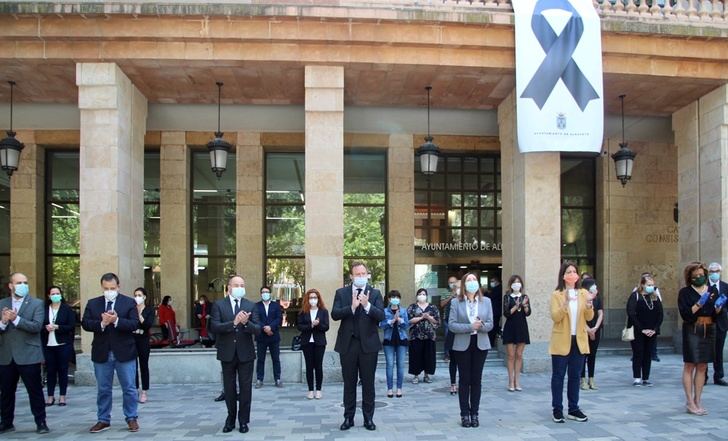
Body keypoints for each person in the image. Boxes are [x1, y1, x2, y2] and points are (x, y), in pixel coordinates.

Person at [81, 272, 140, 433]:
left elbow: (134, 324)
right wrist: (101, 323)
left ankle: (131, 417)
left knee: (129, 387)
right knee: (103, 389)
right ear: (102, 287)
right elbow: (85, 323)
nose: (109, 291)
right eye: (106, 288)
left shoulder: (128, 302)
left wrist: (116, 321)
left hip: (124, 352)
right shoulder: (93, 303)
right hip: (102, 352)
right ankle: (103, 419)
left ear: (118, 287)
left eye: (112, 288)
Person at [332, 261, 384, 431]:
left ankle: (368, 418)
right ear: (351, 276)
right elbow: (335, 314)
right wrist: (352, 307)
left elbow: (381, 316)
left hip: (368, 346)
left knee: (368, 383)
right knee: (349, 383)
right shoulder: (341, 293)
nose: (361, 277)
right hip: (348, 345)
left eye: (364, 274)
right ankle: (349, 418)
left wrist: (367, 305)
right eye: (358, 274)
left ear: (367, 275)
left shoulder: (375, 293)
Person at [210, 275, 260, 434]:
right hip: (227, 353)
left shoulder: (251, 305)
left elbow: (258, 329)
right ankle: (230, 418)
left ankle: (243, 420)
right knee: (229, 389)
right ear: (229, 287)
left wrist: (246, 323)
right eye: (236, 285)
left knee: (246, 389)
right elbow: (215, 327)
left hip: (246, 353)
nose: (240, 287)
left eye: (242, 285)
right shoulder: (219, 305)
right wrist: (234, 323)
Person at [0, 272, 49, 434]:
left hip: (28, 354)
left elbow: (36, 327)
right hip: (7, 355)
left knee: (34, 390)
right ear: (11, 286)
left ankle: (41, 422)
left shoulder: (36, 304)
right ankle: (6, 422)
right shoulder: (2, 304)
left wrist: (15, 319)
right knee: (6, 391)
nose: (23, 285)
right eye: (19, 282)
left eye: (25, 282)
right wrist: (3, 322)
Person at [549, 262, 595, 424]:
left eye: (574, 272)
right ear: (563, 275)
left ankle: (574, 408)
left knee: (575, 376)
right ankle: (557, 409)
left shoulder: (583, 293)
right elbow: (555, 317)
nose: (572, 274)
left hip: (579, 340)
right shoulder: (557, 294)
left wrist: (590, 305)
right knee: (558, 376)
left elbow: (589, 317)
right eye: (568, 272)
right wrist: (566, 302)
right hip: (562, 340)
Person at [678, 261, 725, 415]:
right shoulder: (685, 292)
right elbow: (685, 314)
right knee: (690, 365)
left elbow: (715, 313)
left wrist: (718, 307)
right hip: (693, 329)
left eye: (701, 275)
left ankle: (698, 400)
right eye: (695, 275)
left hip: (709, 328)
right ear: (690, 277)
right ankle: (689, 401)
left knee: (703, 366)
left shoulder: (712, 290)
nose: (699, 277)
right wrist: (699, 303)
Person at [448, 272, 493, 428]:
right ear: (464, 284)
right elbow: (452, 325)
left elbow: (490, 324)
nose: (472, 282)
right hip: (462, 345)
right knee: (464, 380)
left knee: (476, 380)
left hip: (480, 343)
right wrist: (470, 327)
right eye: (469, 280)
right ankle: (464, 414)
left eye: (474, 279)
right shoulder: (455, 302)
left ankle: (475, 413)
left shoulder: (486, 301)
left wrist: (481, 326)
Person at [627, 274, 663, 387]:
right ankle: (637, 377)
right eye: (649, 285)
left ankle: (646, 378)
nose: (651, 287)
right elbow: (631, 313)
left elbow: (660, 314)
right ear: (642, 285)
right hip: (638, 331)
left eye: (652, 285)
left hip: (651, 331)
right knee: (638, 353)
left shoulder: (654, 297)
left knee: (648, 354)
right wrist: (642, 329)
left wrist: (655, 329)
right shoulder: (635, 296)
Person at [42, 285, 75, 407]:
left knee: (63, 369)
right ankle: (50, 396)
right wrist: (46, 328)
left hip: (63, 344)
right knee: (50, 370)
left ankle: (62, 396)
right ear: (49, 296)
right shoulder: (44, 309)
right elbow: (39, 325)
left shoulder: (67, 309)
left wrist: (58, 327)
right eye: (53, 293)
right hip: (48, 344)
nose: (55, 295)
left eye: (57, 293)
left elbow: (71, 326)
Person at [297, 288, 329, 399]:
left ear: (318, 299)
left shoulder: (323, 311)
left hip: (319, 342)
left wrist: (318, 324)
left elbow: (326, 327)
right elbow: (299, 326)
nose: (313, 300)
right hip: (307, 342)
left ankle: (319, 389)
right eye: (311, 298)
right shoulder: (303, 312)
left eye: (315, 297)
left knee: (318, 366)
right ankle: (310, 390)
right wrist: (310, 325)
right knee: (309, 366)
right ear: (307, 299)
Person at [502, 275, 530, 392]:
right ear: (511, 284)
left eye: (519, 282)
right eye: (514, 282)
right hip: (510, 327)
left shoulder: (525, 297)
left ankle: (517, 381)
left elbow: (528, 313)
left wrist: (524, 305)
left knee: (519, 355)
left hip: (522, 327)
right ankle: (510, 381)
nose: (517, 284)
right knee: (511, 355)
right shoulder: (507, 297)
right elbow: (506, 313)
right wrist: (517, 305)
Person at [379, 290, 409, 398]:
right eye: (392, 297)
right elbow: (381, 325)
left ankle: (399, 388)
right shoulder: (385, 311)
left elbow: (407, 326)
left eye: (397, 297)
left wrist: (400, 320)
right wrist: (391, 321)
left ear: (400, 299)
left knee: (400, 365)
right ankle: (390, 389)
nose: (395, 299)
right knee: (390, 365)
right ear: (389, 299)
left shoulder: (404, 310)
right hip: (388, 341)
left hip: (401, 340)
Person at [407, 288, 439, 384]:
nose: (422, 295)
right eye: (420, 294)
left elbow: (437, 320)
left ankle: (427, 375)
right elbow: (409, 320)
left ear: (427, 295)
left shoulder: (432, 307)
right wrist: (421, 317)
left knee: (428, 356)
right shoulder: (412, 307)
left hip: (429, 336)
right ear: (417, 296)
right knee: (416, 356)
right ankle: (416, 376)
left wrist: (428, 317)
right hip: (416, 336)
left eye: (424, 294)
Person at [255, 286, 283, 388]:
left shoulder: (276, 305)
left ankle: (278, 379)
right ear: (260, 294)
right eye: (263, 292)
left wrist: (271, 327)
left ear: (270, 293)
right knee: (260, 359)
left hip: (273, 336)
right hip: (261, 337)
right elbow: (255, 319)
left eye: (267, 292)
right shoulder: (256, 306)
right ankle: (259, 379)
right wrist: (264, 328)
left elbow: (279, 318)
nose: (265, 294)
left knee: (276, 359)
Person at [579, 278, 603, 391]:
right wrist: (589, 330)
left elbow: (600, 313)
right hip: (584, 330)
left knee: (592, 355)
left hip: (595, 329)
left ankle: (591, 378)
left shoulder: (597, 299)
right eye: (593, 286)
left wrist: (595, 328)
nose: (595, 288)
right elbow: (580, 318)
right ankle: (582, 379)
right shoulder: (581, 299)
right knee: (583, 355)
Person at [132, 287, 155, 403]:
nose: (137, 297)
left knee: (143, 365)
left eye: (139, 295)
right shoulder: (131, 309)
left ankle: (144, 391)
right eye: (135, 295)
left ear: (144, 297)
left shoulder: (149, 310)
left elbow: (147, 325)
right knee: (133, 366)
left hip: (143, 339)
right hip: (132, 339)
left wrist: (139, 315)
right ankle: (134, 389)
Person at [707, 262, 728, 386]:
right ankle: (703, 376)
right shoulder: (704, 286)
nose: (714, 273)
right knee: (704, 350)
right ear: (708, 272)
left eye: (716, 271)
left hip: (721, 323)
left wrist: (722, 309)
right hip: (707, 321)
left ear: (720, 272)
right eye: (712, 271)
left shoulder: (725, 286)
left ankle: (719, 376)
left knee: (718, 350)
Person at [440, 277, 460, 395]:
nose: (456, 288)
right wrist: (452, 297)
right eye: (454, 286)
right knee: (453, 360)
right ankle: (453, 383)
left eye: (458, 287)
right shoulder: (452, 300)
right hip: (453, 331)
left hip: (465, 335)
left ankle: (463, 382)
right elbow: (447, 315)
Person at [485, 276, 502, 347]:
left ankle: (491, 343)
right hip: (494, 311)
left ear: (497, 281)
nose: (491, 283)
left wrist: (485, 292)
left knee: (493, 328)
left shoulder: (498, 288)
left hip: (495, 311)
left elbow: (491, 296)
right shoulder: (496, 288)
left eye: (492, 281)